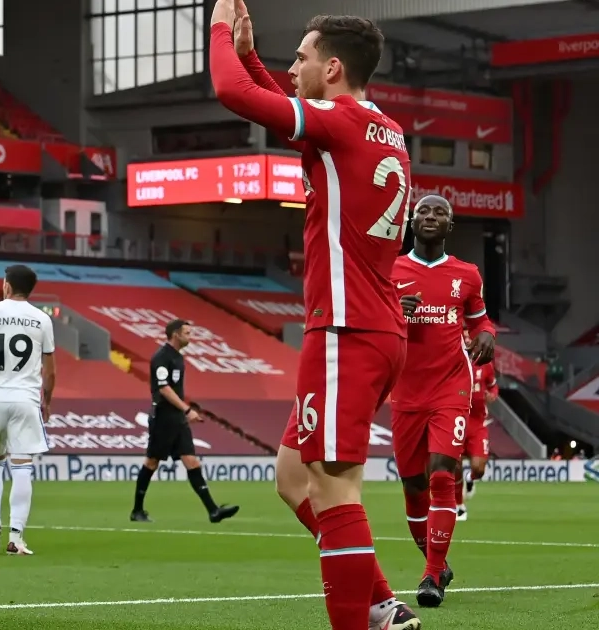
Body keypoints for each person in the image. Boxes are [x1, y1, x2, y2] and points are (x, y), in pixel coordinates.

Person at [210, 1, 420, 628]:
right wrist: (251, 56)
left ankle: (362, 615)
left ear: (332, 69)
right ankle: (379, 602)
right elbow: (283, 108)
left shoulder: (339, 121)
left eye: (300, 58)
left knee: (332, 487)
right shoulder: (382, 127)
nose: (292, 67)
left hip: (346, 329)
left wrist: (218, 28)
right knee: (292, 478)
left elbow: (232, 93)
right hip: (373, 325)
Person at [393, 194, 495, 606]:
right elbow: (367, 319)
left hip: (451, 385)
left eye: (440, 212)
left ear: (450, 226)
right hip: (404, 389)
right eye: (423, 211)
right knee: (413, 484)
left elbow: (481, 320)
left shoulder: (467, 274)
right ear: (411, 222)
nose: (430, 216)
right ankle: (437, 562)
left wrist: (487, 335)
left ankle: (431, 577)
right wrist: (392, 310)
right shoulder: (390, 271)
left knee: (440, 474)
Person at [0, 264, 56, 556]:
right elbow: (50, 370)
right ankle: (15, 537)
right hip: (26, 399)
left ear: (7, 285)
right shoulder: (42, 320)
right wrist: (47, 401)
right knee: (22, 467)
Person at [130, 318, 239, 524]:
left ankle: (213, 511)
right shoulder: (161, 357)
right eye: (187, 333)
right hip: (163, 417)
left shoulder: (178, 358)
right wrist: (187, 409)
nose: (191, 337)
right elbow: (163, 388)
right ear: (175, 334)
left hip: (177, 418)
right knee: (152, 462)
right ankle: (137, 510)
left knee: (191, 461)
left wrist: (183, 412)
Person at [458, 342, 497, 521]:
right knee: (454, 466)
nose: (467, 337)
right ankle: (459, 506)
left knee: (479, 468)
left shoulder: (485, 363)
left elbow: (493, 386)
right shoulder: (454, 360)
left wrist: (492, 394)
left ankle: (471, 478)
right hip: (457, 420)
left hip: (478, 424)